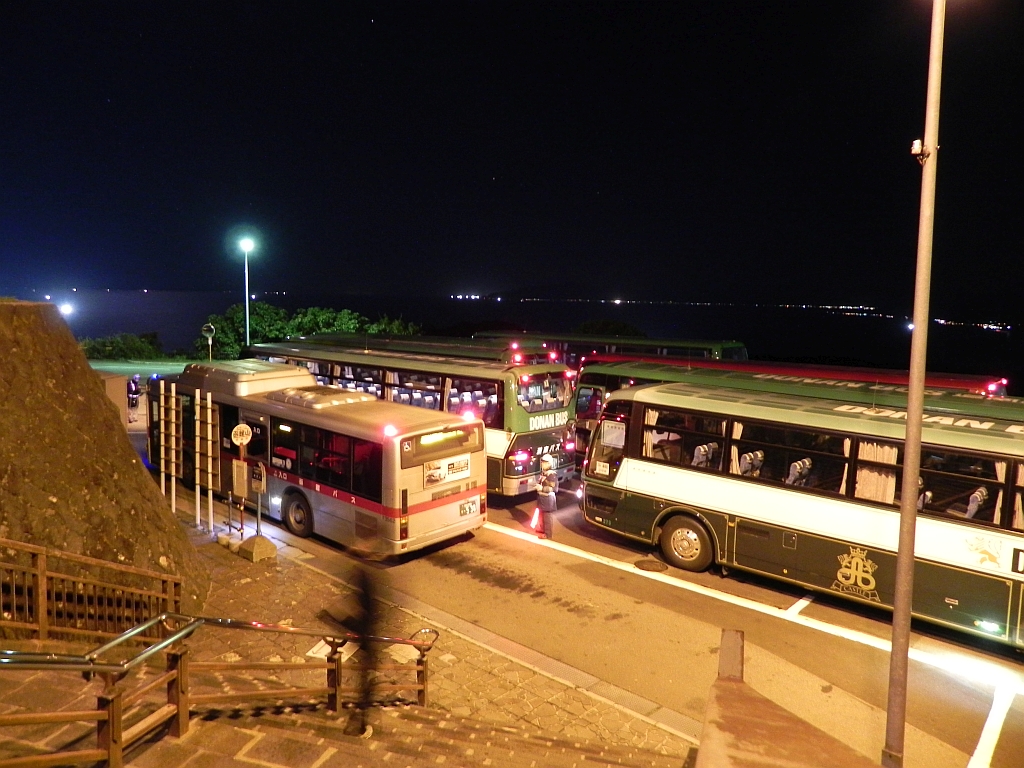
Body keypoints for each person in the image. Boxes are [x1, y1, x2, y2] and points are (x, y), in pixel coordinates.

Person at [533, 453, 559, 538]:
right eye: (542, 462)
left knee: (547, 517)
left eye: (544, 463)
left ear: (549, 464)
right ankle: (542, 529)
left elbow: (554, 488)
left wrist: (542, 488)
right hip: (542, 498)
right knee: (541, 514)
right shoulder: (544, 473)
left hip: (548, 499)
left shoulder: (551, 474)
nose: (542, 464)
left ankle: (548, 534)